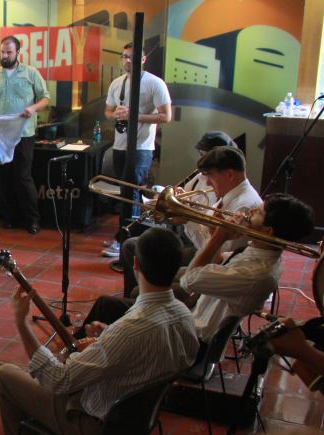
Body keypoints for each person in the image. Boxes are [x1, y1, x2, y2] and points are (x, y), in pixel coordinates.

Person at [0, 227, 199, 435]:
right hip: (143, 421)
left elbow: (59, 380)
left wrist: (22, 322)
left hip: (103, 430)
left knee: (5, 376)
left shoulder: (130, 330)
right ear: (176, 267)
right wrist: (109, 337)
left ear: (135, 265)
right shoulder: (185, 316)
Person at [181, 193, 314, 341]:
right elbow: (218, 261)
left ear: (268, 231)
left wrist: (219, 237)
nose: (250, 212)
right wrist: (215, 232)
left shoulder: (255, 273)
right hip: (195, 319)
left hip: (196, 338)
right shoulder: (259, 252)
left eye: (258, 212)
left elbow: (188, 281)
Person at [112, 132, 236, 287]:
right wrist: (173, 203)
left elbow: (209, 236)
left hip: (196, 246)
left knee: (136, 248)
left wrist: (187, 216)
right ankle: (138, 295)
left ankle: (145, 294)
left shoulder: (222, 189)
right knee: (132, 245)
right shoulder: (199, 177)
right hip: (182, 235)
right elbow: (181, 210)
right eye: (201, 154)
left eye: (205, 155)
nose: (201, 159)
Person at [101, 42, 173, 255]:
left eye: (132, 57)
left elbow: (166, 116)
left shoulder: (154, 83)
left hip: (141, 146)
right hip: (120, 144)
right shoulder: (117, 83)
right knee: (124, 191)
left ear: (143, 59)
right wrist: (117, 115)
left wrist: (135, 116)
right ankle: (124, 236)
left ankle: (128, 240)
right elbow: (108, 111)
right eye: (124, 57)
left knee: (132, 190)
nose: (127, 61)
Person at [0, 36, 51, 234]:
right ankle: (9, 217)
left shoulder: (31, 73)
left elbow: (45, 98)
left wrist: (33, 108)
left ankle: (33, 220)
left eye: (9, 52)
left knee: (23, 177)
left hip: (24, 133)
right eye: (2, 52)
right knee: (3, 177)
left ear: (18, 53)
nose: (5, 56)